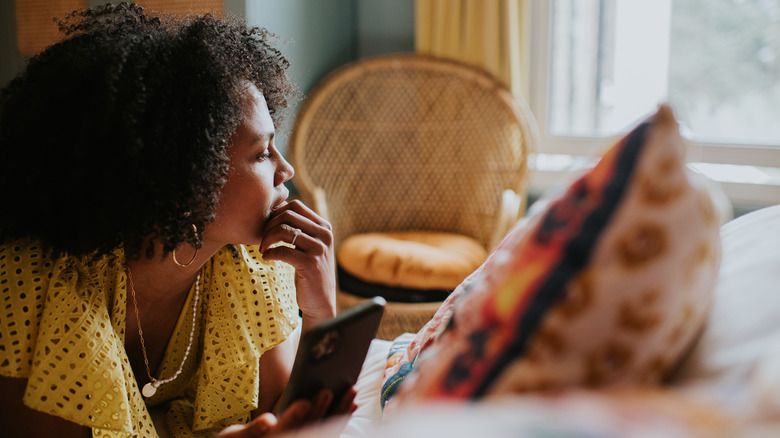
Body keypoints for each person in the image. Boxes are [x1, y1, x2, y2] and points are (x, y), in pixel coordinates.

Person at [0, 3, 352, 437]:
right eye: (261, 153)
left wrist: (320, 312)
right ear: (187, 176)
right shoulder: (31, 286)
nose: (286, 170)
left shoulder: (250, 267)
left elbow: (290, 417)